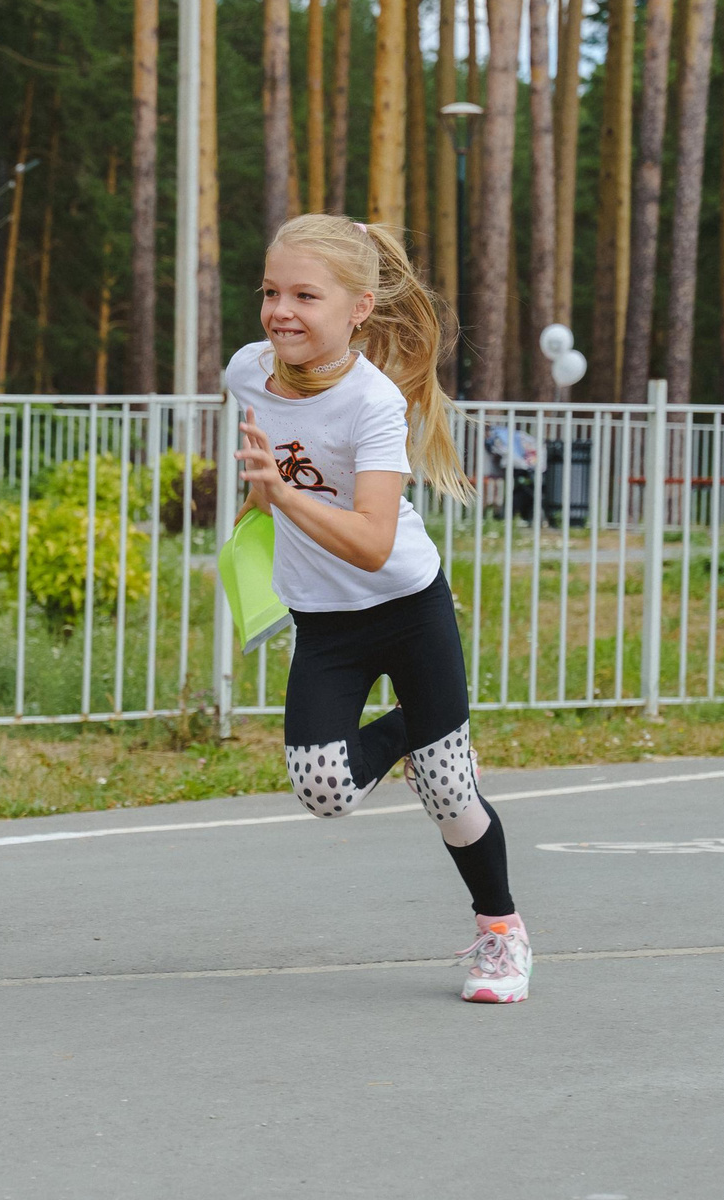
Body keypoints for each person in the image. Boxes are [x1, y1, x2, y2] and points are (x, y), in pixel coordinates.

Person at [223, 213, 527, 1004]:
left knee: (450, 796)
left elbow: (371, 541)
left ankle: (501, 934)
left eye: (305, 295)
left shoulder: (374, 403)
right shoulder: (247, 371)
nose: (280, 310)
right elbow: (273, 454)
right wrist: (261, 502)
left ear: (359, 307)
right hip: (325, 622)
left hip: (406, 607)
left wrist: (282, 492)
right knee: (322, 789)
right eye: (270, 292)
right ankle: (414, 732)